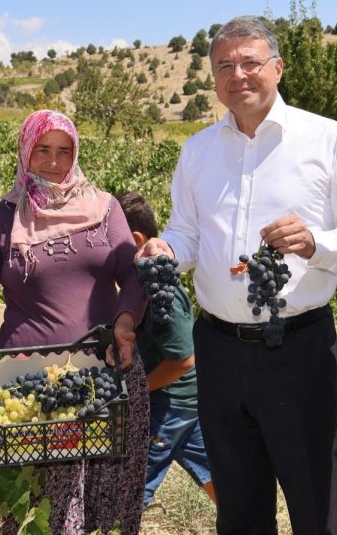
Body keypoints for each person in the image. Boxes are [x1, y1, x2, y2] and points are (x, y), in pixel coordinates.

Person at [137, 15, 337, 535]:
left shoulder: (327, 139)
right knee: (239, 508)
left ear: (277, 68)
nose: (238, 75)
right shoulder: (197, 149)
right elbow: (188, 236)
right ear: (213, 75)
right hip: (218, 352)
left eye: (250, 62)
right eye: (225, 65)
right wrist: (164, 249)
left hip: (297, 350)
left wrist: (318, 242)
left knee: (314, 505)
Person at [0, 109, 149, 535]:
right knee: (39, 509)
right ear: (25, 151)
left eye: (64, 152)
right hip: (31, 390)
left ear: (76, 155)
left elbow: (133, 274)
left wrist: (126, 321)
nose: (53, 162)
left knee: (106, 506)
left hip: (108, 378)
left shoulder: (106, 210)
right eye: (42, 150)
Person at [116, 190, 215, 509]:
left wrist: (137, 391)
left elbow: (184, 360)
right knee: (220, 482)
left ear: (134, 239)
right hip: (188, 403)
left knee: (130, 492)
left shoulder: (161, 291)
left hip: (169, 407)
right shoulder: (146, 280)